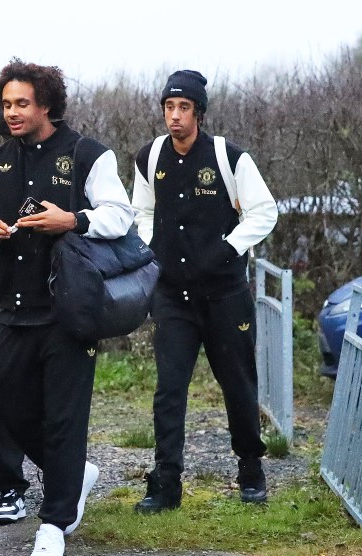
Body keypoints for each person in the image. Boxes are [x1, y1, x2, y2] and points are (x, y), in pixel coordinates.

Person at [0, 59, 132, 556]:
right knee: (2, 393)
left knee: (65, 417)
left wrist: (74, 219)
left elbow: (121, 215)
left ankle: (53, 525)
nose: (12, 113)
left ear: (46, 105)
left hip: (69, 309)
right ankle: (74, 474)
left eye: (22, 104)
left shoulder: (88, 154)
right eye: (6, 104)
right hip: (10, 306)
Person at [131, 70, 278, 512]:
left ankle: (251, 469)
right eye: (169, 108)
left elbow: (264, 212)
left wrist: (226, 250)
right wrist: (151, 248)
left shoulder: (227, 156)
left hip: (224, 293)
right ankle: (166, 482)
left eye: (184, 108)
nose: (175, 117)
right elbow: (140, 210)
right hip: (172, 295)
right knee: (169, 390)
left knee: (237, 382)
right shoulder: (149, 156)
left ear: (199, 112)